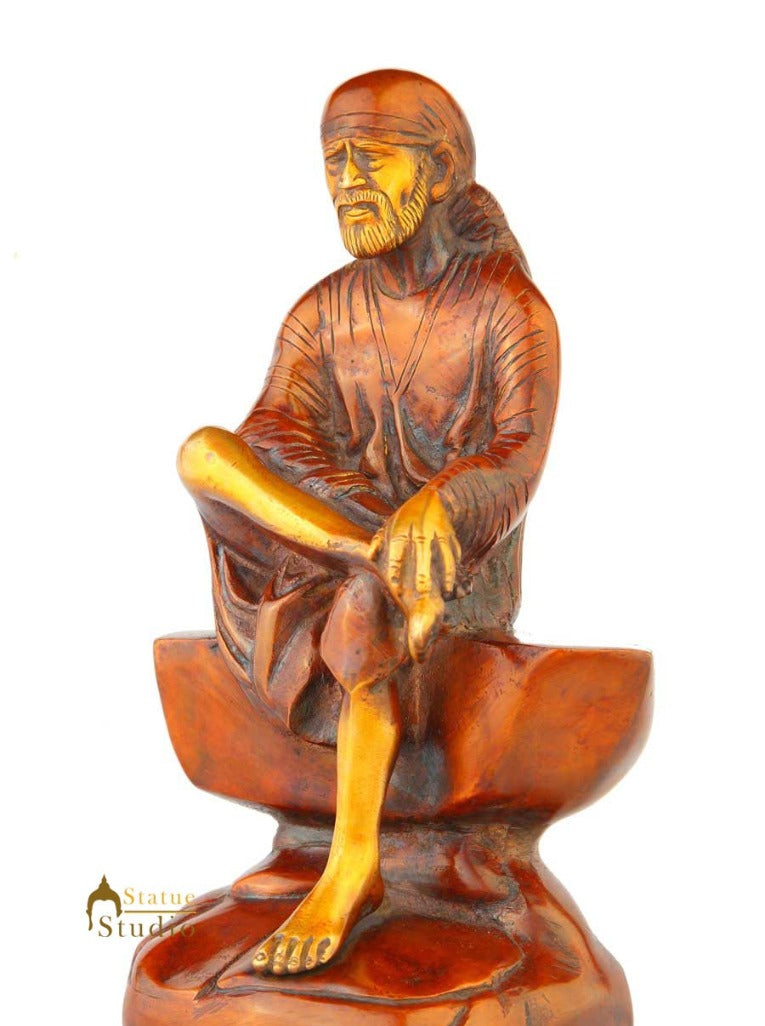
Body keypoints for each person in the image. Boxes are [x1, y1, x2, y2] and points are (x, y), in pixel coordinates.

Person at [178, 69, 559, 975]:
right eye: (332, 160)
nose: (345, 180)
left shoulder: (509, 310)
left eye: (370, 157)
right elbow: (270, 435)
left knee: (368, 602)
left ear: (439, 172)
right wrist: (363, 530)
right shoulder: (323, 310)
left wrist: (439, 503)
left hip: (451, 567)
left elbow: (516, 457)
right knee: (203, 452)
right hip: (334, 542)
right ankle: (368, 557)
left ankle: (352, 865)